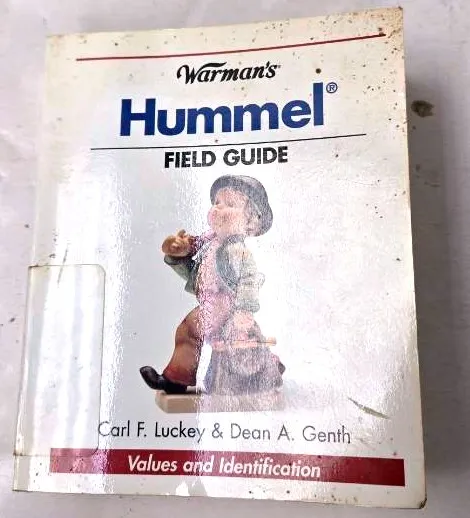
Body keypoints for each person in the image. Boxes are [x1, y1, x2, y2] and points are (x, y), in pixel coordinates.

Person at [140, 175, 284, 394]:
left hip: (225, 305)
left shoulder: (237, 251)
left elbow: (249, 280)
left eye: (230, 204)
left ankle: (175, 380)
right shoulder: (209, 245)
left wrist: (244, 310)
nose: (218, 207)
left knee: (190, 330)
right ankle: (175, 379)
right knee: (188, 331)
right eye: (217, 202)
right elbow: (197, 276)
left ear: (251, 222)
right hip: (211, 303)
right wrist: (178, 256)